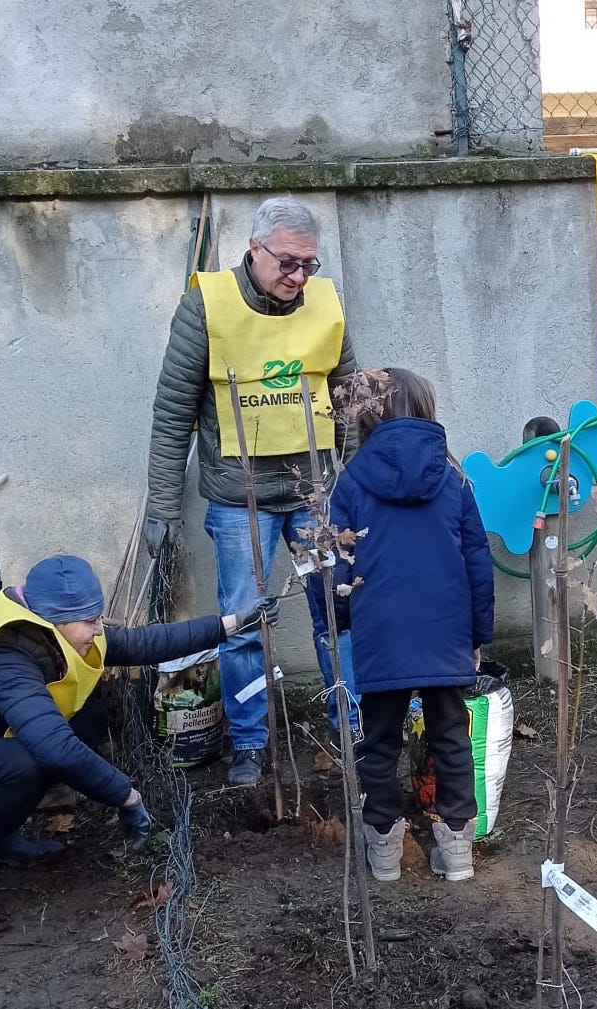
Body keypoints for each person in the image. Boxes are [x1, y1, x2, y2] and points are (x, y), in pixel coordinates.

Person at [0, 555, 265, 944]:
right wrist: (126, 795)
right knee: (25, 760)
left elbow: (146, 642)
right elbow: (55, 748)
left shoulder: (56, 632)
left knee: (75, 725)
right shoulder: (7, 655)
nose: (97, 629)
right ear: (51, 619)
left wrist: (233, 624)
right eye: (88, 621)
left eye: (97, 616)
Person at [144, 195, 360, 786]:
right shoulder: (206, 308)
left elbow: (351, 401)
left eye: (308, 265)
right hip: (241, 502)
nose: (297, 277)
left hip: (315, 498)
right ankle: (249, 741)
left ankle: (353, 722)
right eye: (286, 263)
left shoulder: (324, 304)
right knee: (243, 622)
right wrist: (162, 504)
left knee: (338, 607)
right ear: (253, 249)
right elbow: (172, 414)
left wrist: (359, 487)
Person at [328, 368, 494, 883]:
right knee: (450, 735)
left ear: (368, 414)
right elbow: (477, 562)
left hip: (380, 634)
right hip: (446, 633)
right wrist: (477, 636)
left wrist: (340, 621)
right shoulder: (454, 480)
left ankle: (383, 851)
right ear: (426, 409)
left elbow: (335, 562)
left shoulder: (350, 483)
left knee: (379, 740)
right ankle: (457, 848)